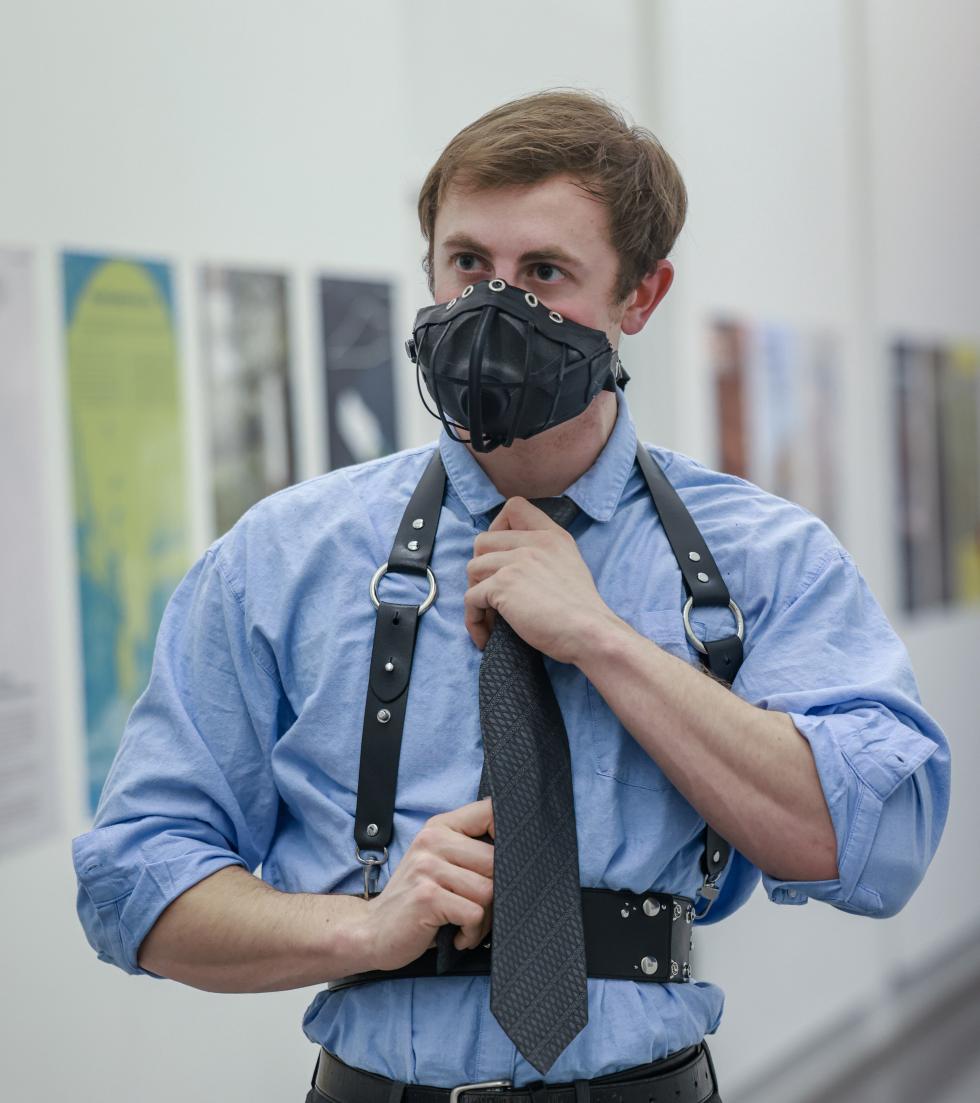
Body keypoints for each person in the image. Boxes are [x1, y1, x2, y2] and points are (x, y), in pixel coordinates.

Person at [72, 90, 950, 1102]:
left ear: (640, 296)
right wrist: (363, 923)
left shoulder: (761, 556)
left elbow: (876, 842)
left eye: (543, 272)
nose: (495, 306)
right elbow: (133, 882)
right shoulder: (282, 557)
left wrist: (603, 640)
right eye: (467, 264)